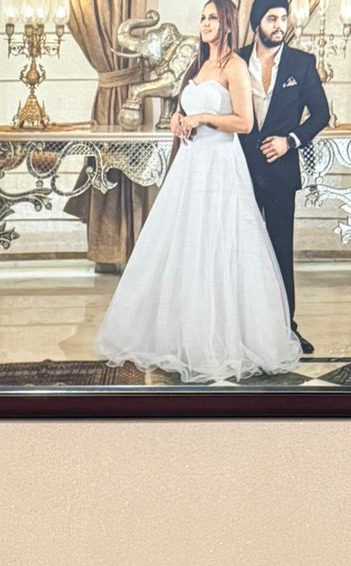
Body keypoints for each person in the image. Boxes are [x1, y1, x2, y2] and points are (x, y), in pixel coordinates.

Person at [95, 0, 301, 384]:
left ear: (227, 24)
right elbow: (186, 105)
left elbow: (245, 122)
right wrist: (178, 117)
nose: (205, 24)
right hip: (190, 165)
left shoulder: (234, 66)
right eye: (203, 18)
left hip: (221, 164)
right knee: (184, 243)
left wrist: (203, 117)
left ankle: (220, 339)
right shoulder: (199, 64)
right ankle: (178, 335)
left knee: (218, 243)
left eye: (212, 18)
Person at [237, 0, 331, 354]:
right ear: (256, 23)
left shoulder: (301, 63)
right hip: (238, 172)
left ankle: (286, 329)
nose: (279, 25)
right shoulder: (235, 61)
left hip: (280, 174)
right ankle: (240, 328)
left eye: (283, 18)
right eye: (271, 18)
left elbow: (320, 115)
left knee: (280, 253)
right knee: (239, 250)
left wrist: (289, 141)